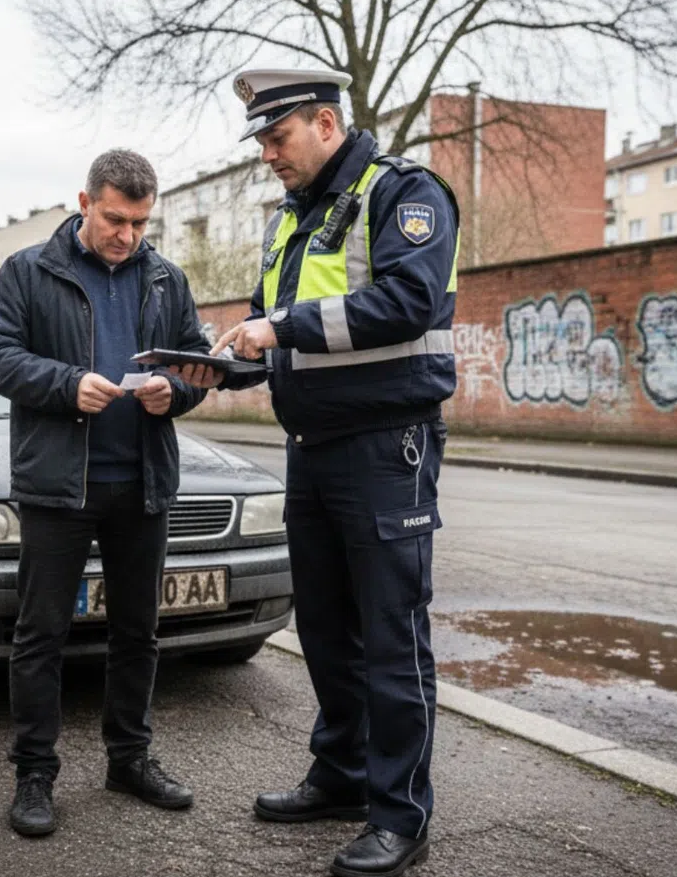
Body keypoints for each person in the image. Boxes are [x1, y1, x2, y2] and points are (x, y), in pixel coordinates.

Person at [198, 68, 460, 877]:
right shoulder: (291, 219)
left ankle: (401, 814)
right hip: (311, 446)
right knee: (325, 628)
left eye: (277, 138)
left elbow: (408, 302)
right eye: (261, 142)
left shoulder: (403, 192)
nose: (268, 155)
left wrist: (277, 329)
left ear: (324, 122)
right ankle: (343, 773)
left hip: (385, 445)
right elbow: (272, 330)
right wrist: (218, 367)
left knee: (390, 634)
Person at [0, 149, 216, 838]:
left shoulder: (166, 278)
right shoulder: (29, 270)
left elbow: (197, 362)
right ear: (84, 203)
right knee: (41, 633)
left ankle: (129, 759)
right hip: (59, 485)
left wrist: (177, 392)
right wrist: (66, 384)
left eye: (140, 223)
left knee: (138, 630)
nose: (127, 235)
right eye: (115, 219)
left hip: (141, 483)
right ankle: (34, 773)